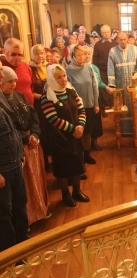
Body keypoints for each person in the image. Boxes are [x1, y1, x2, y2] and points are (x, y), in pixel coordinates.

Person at [0, 66, 49, 224]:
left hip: (32, 144)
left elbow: (34, 115)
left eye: (15, 80)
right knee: (25, 187)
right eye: (9, 81)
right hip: (18, 150)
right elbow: (10, 130)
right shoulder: (2, 103)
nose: (13, 84)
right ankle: (28, 219)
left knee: (37, 182)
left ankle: (40, 210)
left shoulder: (20, 95)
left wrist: (35, 134)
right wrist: (26, 138)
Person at [41, 64, 89, 207]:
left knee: (77, 164)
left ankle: (77, 191)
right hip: (60, 139)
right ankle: (65, 194)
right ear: (51, 79)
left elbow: (81, 110)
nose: (63, 80)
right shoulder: (47, 97)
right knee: (63, 167)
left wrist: (80, 126)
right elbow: (53, 119)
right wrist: (73, 129)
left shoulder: (71, 91)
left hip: (76, 135)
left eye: (64, 76)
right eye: (58, 77)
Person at [0, 61, 29, 252]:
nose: (1, 73)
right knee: (5, 214)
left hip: (14, 163)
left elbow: (12, 132)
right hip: (2, 170)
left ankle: (24, 244)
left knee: (20, 204)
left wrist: (19, 155)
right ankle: (10, 254)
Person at [66, 45, 99, 165]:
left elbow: (94, 85)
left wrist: (96, 103)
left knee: (88, 131)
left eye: (83, 54)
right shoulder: (67, 70)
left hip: (89, 104)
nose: (81, 57)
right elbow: (68, 90)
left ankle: (87, 154)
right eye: (79, 55)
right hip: (76, 107)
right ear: (73, 56)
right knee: (79, 131)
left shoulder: (89, 67)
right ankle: (79, 156)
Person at [108, 32, 137, 135]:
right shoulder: (113, 51)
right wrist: (112, 85)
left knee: (136, 106)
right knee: (122, 106)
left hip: (134, 85)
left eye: (125, 39)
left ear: (128, 39)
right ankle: (124, 130)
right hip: (120, 86)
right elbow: (110, 69)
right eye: (121, 40)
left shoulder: (135, 49)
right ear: (117, 40)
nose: (123, 42)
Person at [1, 38, 33, 105]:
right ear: (4, 51)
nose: (17, 57)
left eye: (20, 54)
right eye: (13, 54)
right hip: (9, 110)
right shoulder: (1, 67)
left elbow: (31, 86)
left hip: (29, 108)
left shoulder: (26, 66)